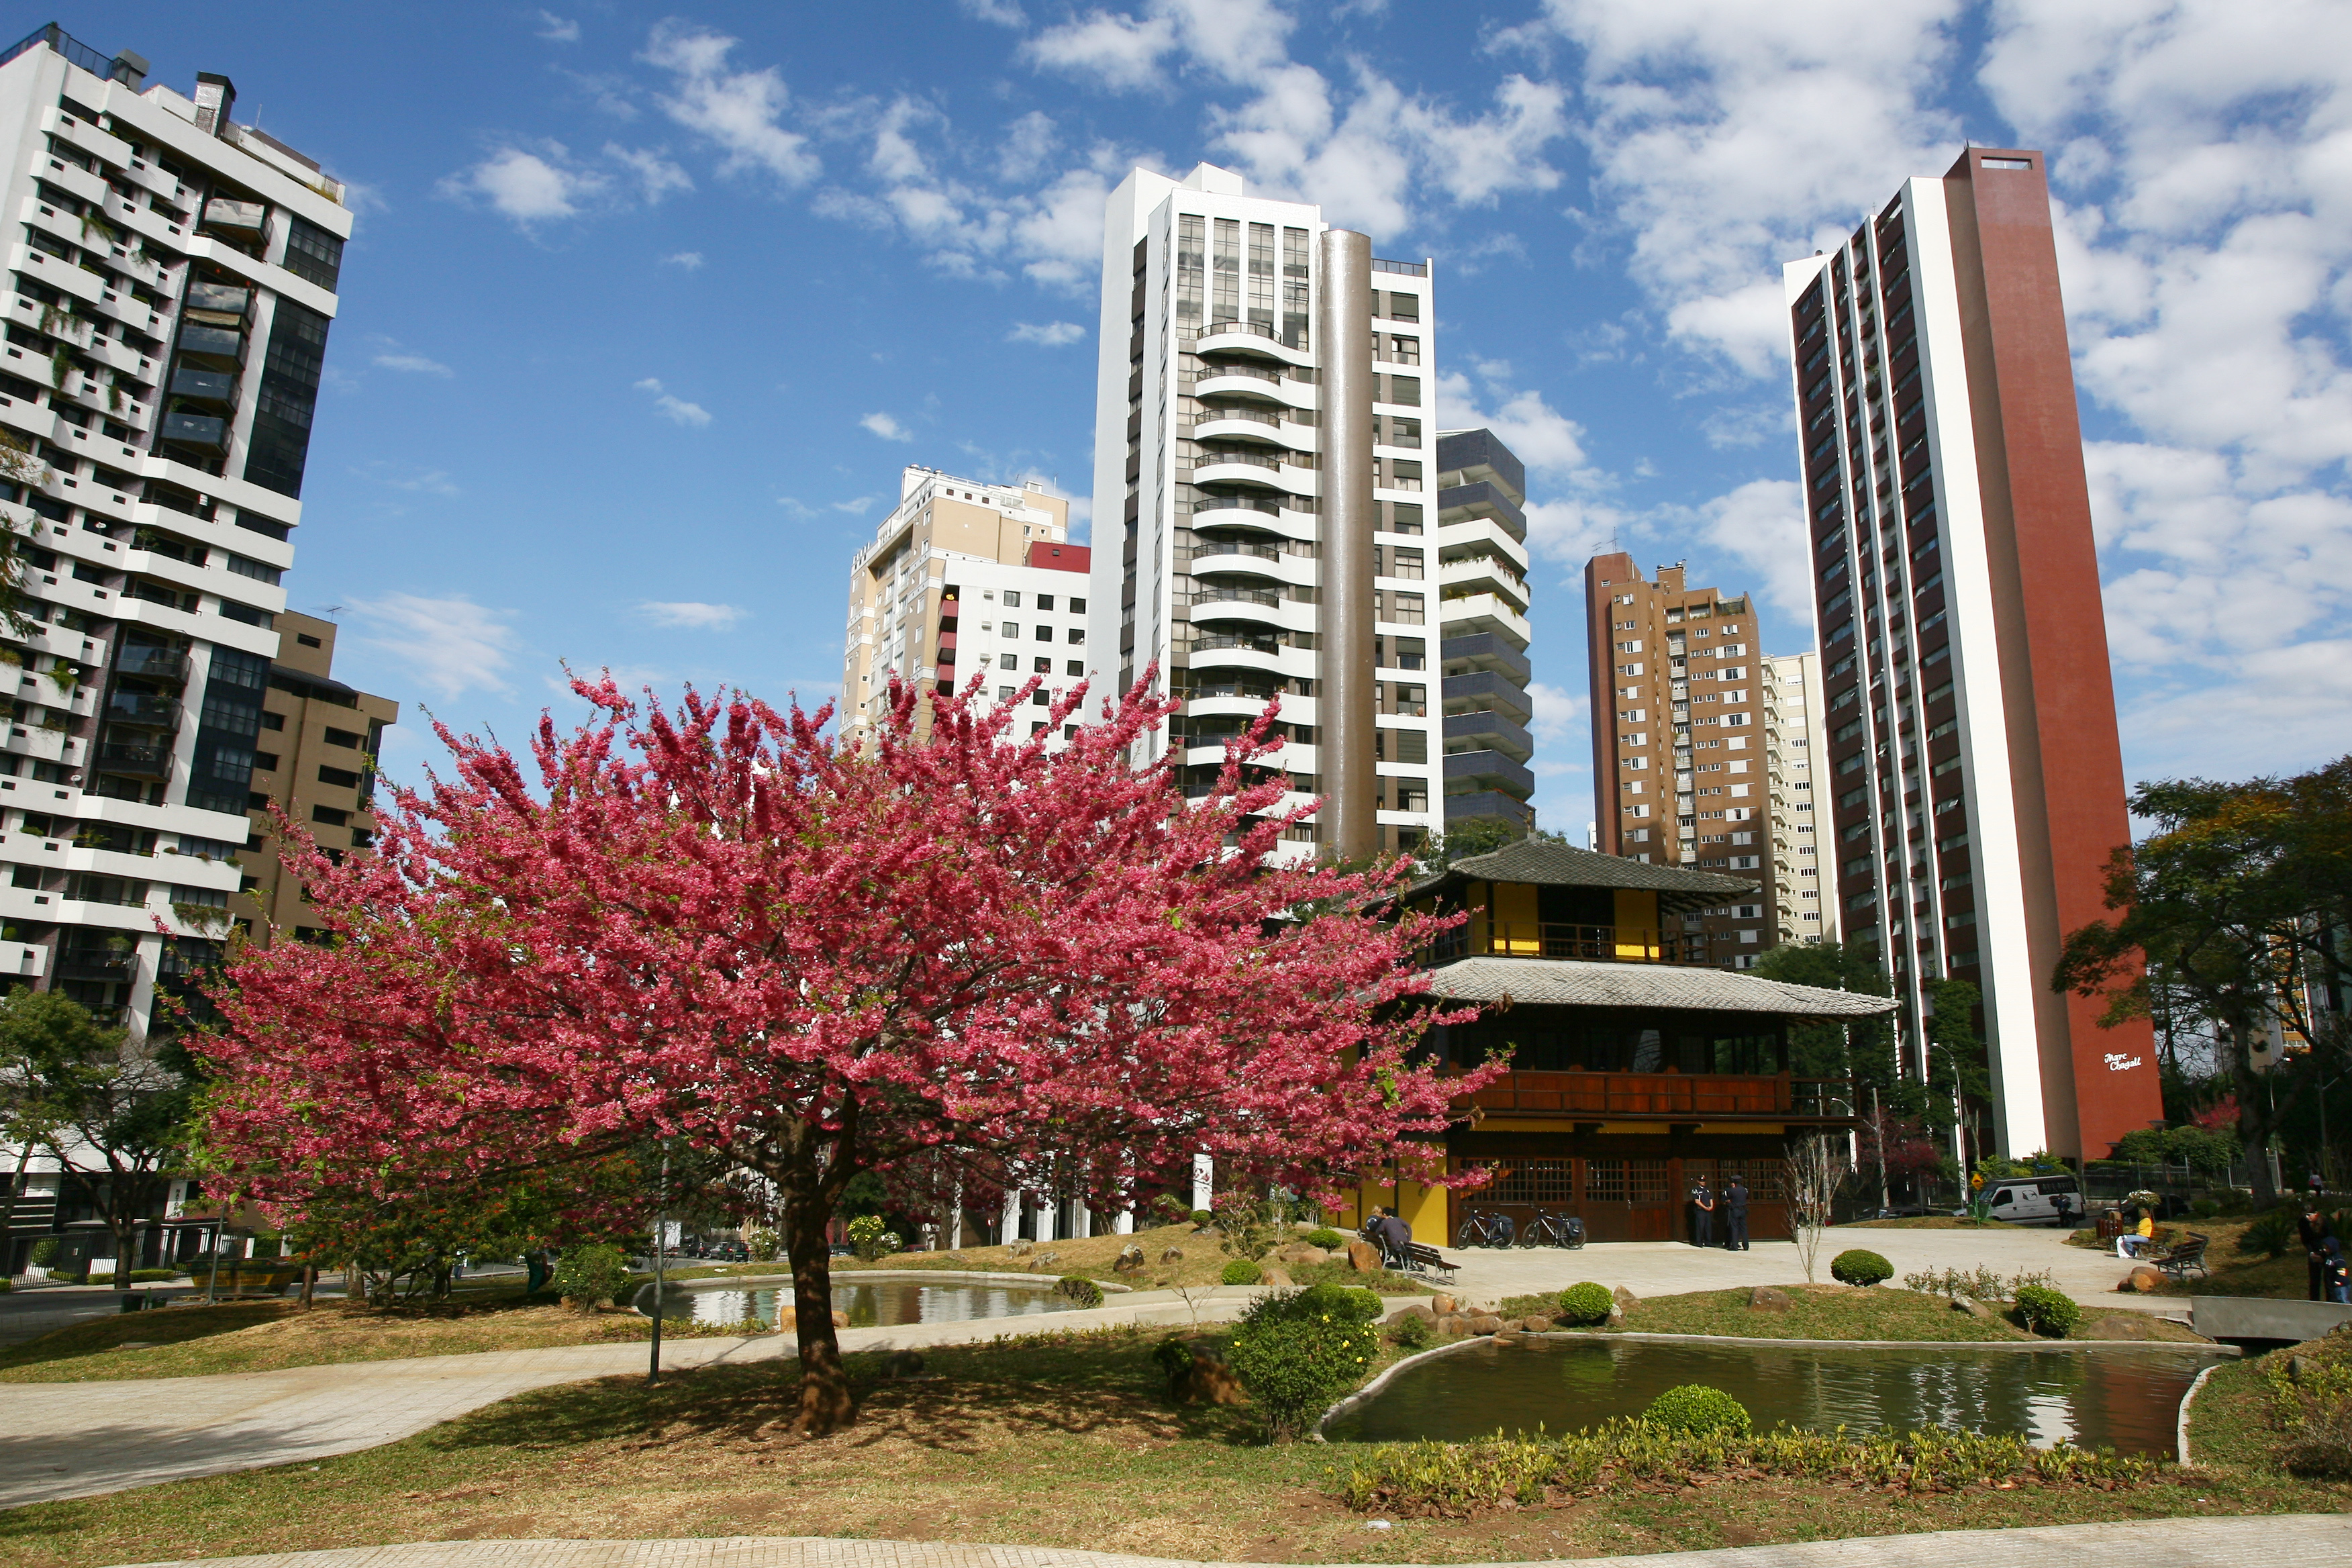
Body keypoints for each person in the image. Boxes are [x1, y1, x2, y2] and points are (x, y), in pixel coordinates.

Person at [2299, 1194, 2331, 1302]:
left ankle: (2331, 1302)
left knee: (2329, 1279)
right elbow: (2305, 1240)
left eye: (2309, 1215)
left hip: (2327, 1251)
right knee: (2314, 1280)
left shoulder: (2325, 1221)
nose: (2307, 1218)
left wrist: (2326, 1251)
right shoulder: (2302, 1223)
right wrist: (2311, 1252)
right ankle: (2315, 1301)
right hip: (2314, 1252)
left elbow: (2330, 1237)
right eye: (2304, 1215)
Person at [1723, 1177, 1750, 1251]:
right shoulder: (1745, 1190)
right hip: (1743, 1210)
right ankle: (1746, 1245)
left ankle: (1734, 1246)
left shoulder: (1732, 1190)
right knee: (1744, 1228)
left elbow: (1727, 1199)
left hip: (1735, 1210)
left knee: (1735, 1228)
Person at [1690, 1177, 1716, 1248]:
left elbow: (1711, 1198)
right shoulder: (1696, 1190)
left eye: (1704, 1181)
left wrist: (1711, 1207)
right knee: (1700, 1226)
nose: (1703, 1182)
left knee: (1708, 1227)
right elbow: (1697, 1201)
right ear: (1698, 1181)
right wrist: (1704, 1207)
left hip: (1708, 1210)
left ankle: (1708, 1241)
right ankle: (1699, 1242)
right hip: (1701, 1211)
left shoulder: (1707, 1190)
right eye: (1701, 1181)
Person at [2327, 1237, 2351, 1306]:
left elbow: (2342, 1270)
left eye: (2327, 1248)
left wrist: (2339, 1282)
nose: (2325, 1250)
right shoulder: (2330, 1257)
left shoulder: (2338, 1259)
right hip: (2335, 1284)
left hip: (2342, 1284)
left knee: (2343, 1300)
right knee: (2337, 1299)